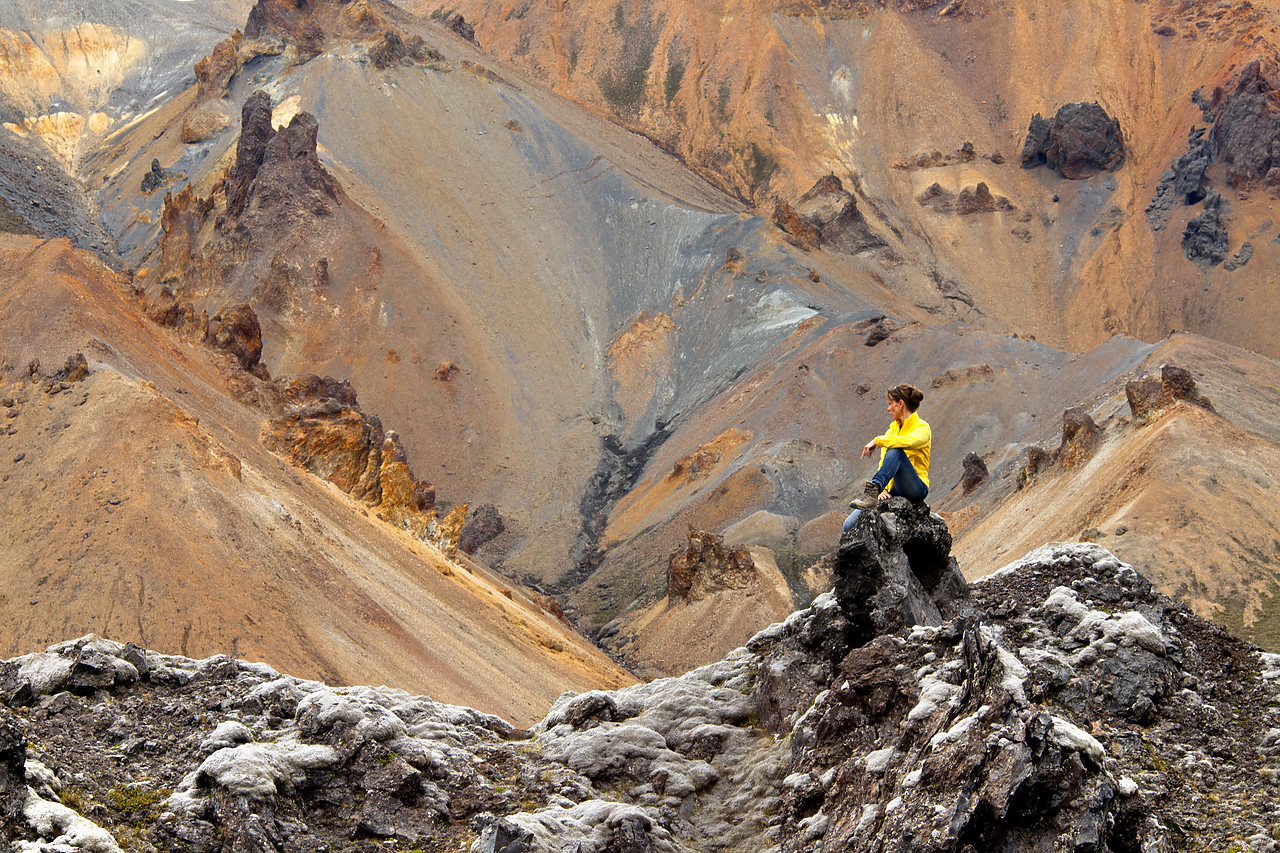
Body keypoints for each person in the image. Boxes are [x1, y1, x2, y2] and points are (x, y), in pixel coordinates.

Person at [843, 383, 931, 533]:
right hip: (894, 490)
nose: (888, 408)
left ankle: (872, 491)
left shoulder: (922, 428)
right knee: (848, 525)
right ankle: (876, 491)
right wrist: (883, 490)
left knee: (895, 451)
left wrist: (877, 441)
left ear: (901, 404)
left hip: (916, 489)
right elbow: (885, 463)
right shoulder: (890, 432)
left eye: (891, 404)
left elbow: (908, 441)